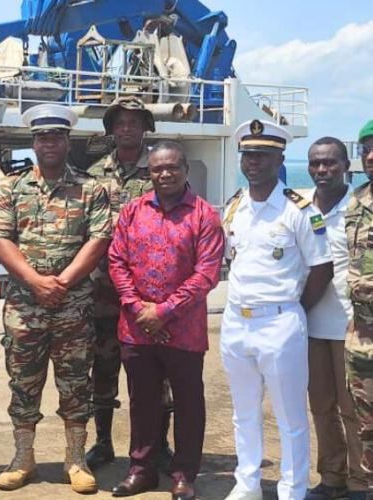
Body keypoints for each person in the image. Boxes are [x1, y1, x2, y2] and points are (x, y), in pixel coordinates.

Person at [0, 104, 111, 494]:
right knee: (23, 383)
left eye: (56, 136)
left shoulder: (91, 188)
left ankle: (75, 459)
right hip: (25, 306)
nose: (49, 143)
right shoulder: (12, 186)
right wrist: (35, 281)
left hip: (73, 306)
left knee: (76, 384)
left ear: (67, 140)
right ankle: (23, 457)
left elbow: (99, 239)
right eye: (42, 137)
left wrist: (64, 282)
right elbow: (0, 238)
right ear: (34, 142)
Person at [221, 119, 334, 500]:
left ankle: (292, 489)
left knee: (290, 417)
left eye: (262, 155)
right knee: (244, 412)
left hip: (280, 322)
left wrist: (293, 311)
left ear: (279, 158)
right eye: (248, 155)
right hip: (237, 321)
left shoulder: (299, 210)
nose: (253, 162)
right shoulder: (235, 205)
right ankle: (248, 483)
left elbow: (322, 267)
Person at [107, 141, 224, 499]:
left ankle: (184, 474)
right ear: (149, 172)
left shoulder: (204, 215)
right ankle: (141, 469)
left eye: (172, 167)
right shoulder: (132, 211)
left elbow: (207, 274)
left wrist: (165, 310)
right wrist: (135, 304)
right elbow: (117, 260)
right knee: (142, 402)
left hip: (183, 330)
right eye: (157, 168)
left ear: (186, 169)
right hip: (136, 327)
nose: (165, 174)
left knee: (188, 404)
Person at [85, 95, 174, 472]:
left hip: (149, 291)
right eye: (120, 123)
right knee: (102, 366)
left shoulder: (161, 172)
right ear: (111, 129)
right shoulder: (93, 174)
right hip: (103, 289)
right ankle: (103, 442)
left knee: (157, 372)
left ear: (145, 128)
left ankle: (160, 445)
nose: (127, 129)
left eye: (135, 122)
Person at [302, 137, 366, 500]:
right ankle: (332, 477)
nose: (322, 170)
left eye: (330, 163)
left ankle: (361, 482)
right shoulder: (300, 205)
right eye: (315, 163)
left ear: (346, 165)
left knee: (353, 410)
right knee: (321, 406)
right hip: (310, 324)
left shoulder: (359, 207)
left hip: (350, 327)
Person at [345, 119, 373, 495]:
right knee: (367, 427)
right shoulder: (357, 201)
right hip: (362, 340)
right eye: (366, 148)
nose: (371, 155)